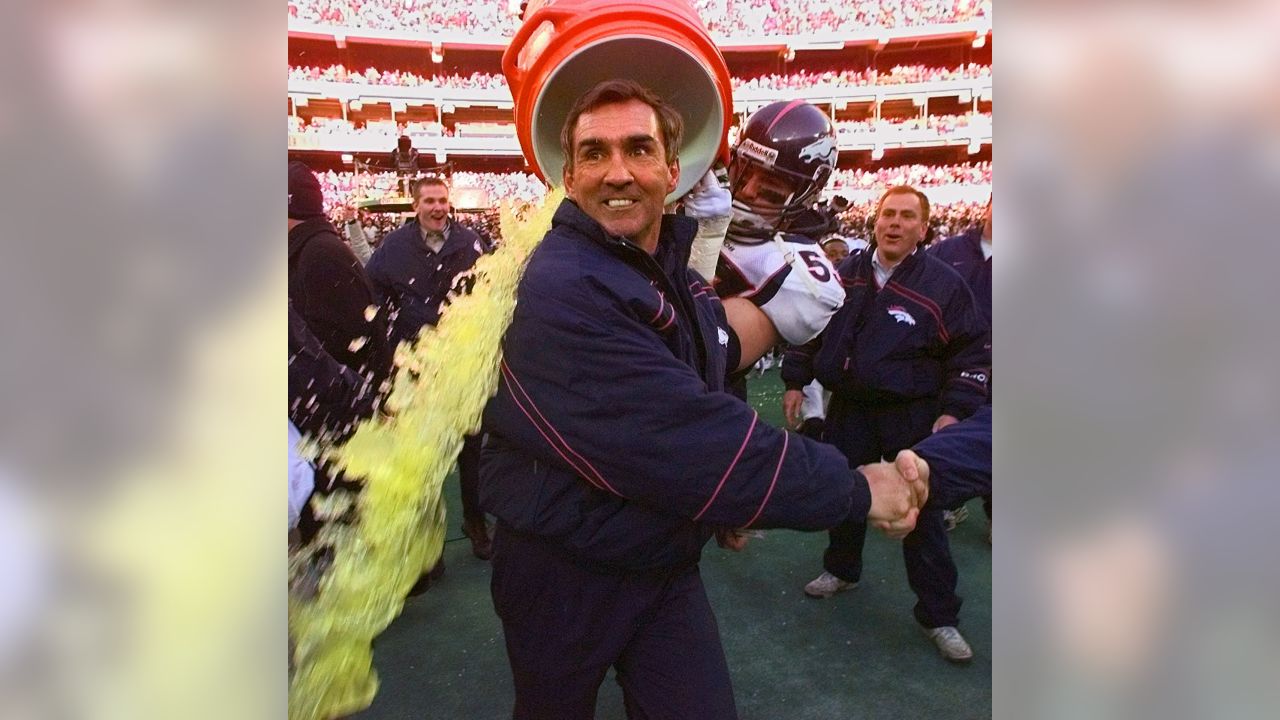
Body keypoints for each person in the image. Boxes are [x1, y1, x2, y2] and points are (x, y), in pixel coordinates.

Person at [479, 79, 927, 720]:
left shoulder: (658, 264)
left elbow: (704, 355)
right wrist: (857, 487)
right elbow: (686, 441)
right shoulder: (563, 283)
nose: (618, 173)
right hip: (562, 568)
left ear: (671, 167)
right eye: (595, 153)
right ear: (568, 173)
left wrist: (713, 504)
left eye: (637, 149)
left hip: (657, 553)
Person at [782, 185, 990, 662]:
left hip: (911, 411)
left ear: (923, 228)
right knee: (846, 491)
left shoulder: (943, 284)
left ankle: (939, 615)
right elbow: (809, 328)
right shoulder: (844, 274)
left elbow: (972, 351)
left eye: (906, 216)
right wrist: (795, 379)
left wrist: (954, 409)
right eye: (887, 214)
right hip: (850, 407)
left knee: (921, 511)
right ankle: (842, 569)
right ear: (874, 222)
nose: (894, 223)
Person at [365, 175, 495, 560]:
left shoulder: (470, 241)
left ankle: (475, 522)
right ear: (415, 206)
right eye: (430, 202)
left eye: (442, 200)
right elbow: (373, 294)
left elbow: (490, 288)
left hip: (462, 365)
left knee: (471, 450)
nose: (438, 208)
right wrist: (393, 341)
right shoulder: (393, 247)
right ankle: (430, 545)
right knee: (425, 456)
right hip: (417, 368)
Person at [684, 100, 846, 396]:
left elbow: (705, 353)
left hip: (698, 407)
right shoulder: (690, 193)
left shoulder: (794, 271)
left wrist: (703, 246)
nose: (746, 190)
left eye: (770, 185)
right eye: (743, 171)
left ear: (805, 195)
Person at [929, 196, 993, 536]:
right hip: (953, 361)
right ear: (987, 207)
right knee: (948, 430)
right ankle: (948, 502)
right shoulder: (947, 249)